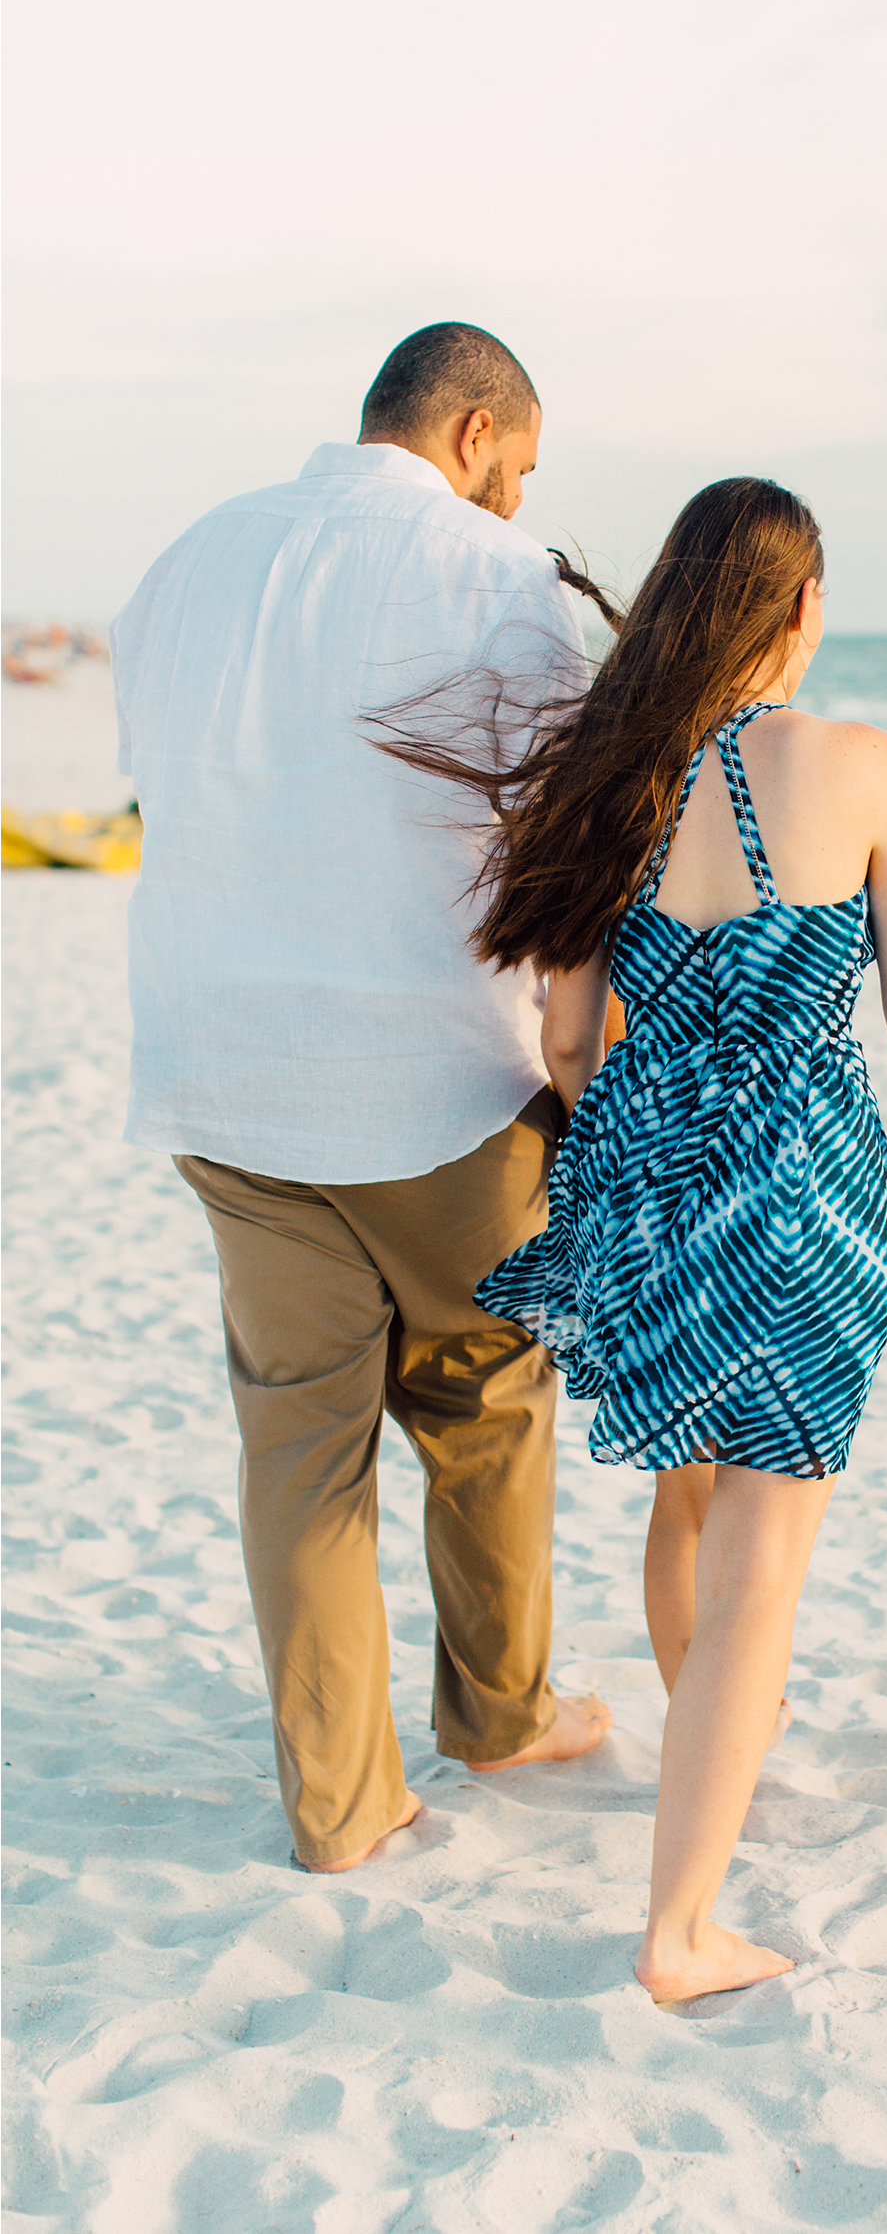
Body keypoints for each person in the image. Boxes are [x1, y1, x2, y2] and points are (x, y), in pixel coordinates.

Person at [393, 475, 887, 2006]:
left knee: (686, 1501)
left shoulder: (617, 779)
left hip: (648, 1181)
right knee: (762, 1572)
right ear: (798, 608)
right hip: (806, 1190)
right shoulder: (865, 766)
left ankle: (707, 1752)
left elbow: (574, 1034)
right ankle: (680, 1929)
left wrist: (643, 1136)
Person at [112, 321, 614, 1875]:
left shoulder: (189, 560)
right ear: (473, 433)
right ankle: (498, 1712)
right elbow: (569, 853)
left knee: (299, 1443)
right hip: (438, 1077)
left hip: (222, 1066)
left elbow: (163, 779)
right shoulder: (499, 585)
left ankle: (340, 1804)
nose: (516, 506)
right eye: (517, 473)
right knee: (481, 1402)